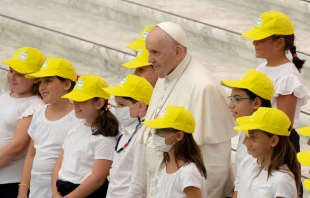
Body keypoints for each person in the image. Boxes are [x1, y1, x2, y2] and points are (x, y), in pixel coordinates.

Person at [143, 21, 237, 198]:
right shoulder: (166, 73)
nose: (150, 59)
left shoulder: (204, 87)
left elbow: (215, 165)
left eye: (155, 52)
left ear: (177, 52)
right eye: (149, 52)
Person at [242, 11, 309, 154]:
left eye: (261, 39)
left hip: (275, 148)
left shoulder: (288, 77)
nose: (254, 42)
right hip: (258, 140)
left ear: (279, 43)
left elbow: (283, 125)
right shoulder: (260, 69)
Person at [18, 57, 79, 198]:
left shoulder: (77, 118)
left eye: (48, 81)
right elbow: (32, 153)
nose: (42, 87)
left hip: (60, 192)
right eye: (40, 82)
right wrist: (23, 190)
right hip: (35, 192)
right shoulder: (39, 113)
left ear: (66, 84)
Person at [52, 75, 119, 198]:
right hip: (62, 190)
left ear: (99, 103)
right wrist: (56, 193)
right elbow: (58, 165)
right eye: (74, 100)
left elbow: (97, 179)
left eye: (81, 100)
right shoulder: (75, 128)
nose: (75, 104)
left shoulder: (104, 138)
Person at [0, 47, 45, 197]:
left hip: (8, 183)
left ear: (37, 78)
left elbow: (17, 147)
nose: (12, 77)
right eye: (11, 71)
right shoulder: (5, 97)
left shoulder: (35, 105)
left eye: (19, 74)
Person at [104, 74, 153, 198]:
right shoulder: (126, 129)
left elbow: (138, 183)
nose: (117, 109)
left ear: (141, 106)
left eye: (122, 105)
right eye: (116, 104)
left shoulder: (142, 135)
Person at [142, 105, 207, 198]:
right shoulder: (164, 163)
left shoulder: (188, 172)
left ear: (179, 136)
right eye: (155, 130)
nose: (155, 135)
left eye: (160, 131)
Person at [233, 107, 300, 198]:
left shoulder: (282, 180)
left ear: (273, 141)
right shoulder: (247, 162)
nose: (244, 142)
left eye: (252, 137)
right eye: (246, 135)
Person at [221, 69, 274, 171]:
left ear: (256, 103)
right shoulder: (246, 130)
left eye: (237, 99)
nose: (230, 105)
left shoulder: (267, 141)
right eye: (231, 99)